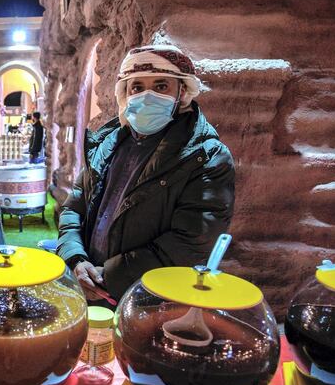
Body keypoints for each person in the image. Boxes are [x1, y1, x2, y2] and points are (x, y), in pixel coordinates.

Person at [57, 44, 235, 303]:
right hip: (90, 285)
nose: (147, 96)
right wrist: (75, 258)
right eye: (137, 87)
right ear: (125, 94)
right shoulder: (106, 146)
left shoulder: (205, 157)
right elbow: (74, 208)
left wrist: (109, 276)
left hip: (150, 299)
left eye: (161, 86)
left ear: (182, 92)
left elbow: (190, 242)